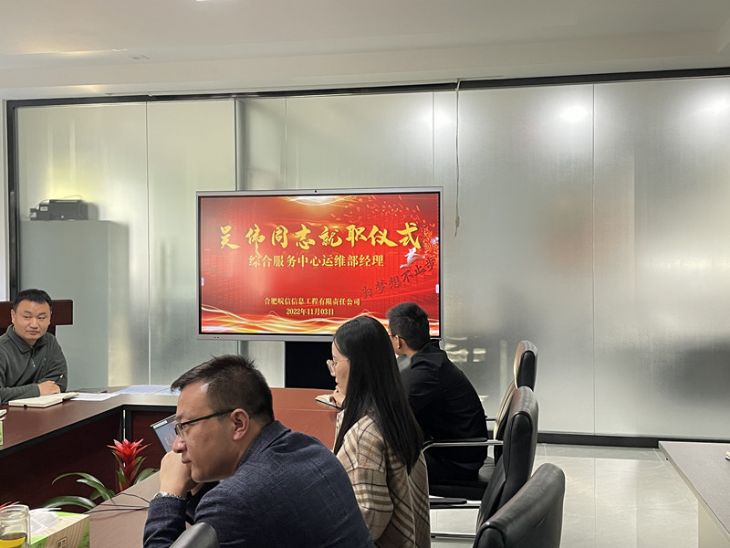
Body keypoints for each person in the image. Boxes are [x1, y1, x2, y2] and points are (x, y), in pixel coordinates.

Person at [143, 355, 372, 548]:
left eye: (186, 426)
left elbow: (236, 507)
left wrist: (169, 494)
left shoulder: (233, 503)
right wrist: (200, 483)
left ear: (238, 423)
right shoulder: (312, 449)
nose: (177, 445)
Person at [330, 315, 430, 548]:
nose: (333, 372)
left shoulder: (364, 434)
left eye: (335, 362)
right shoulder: (396, 414)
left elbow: (367, 522)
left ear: (357, 366)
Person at [387, 302, 488, 484]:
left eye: (390, 335)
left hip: (456, 463)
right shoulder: (429, 358)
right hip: (457, 451)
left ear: (398, 340)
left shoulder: (426, 373)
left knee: (383, 457)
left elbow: (393, 415)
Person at [0, 288, 68, 403]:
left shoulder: (50, 341)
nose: (34, 324)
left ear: (50, 318)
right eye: (27, 317)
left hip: (44, 410)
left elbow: (58, 383)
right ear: (13, 316)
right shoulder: (2, 348)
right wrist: (37, 390)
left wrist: (15, 392)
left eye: (41, 318)